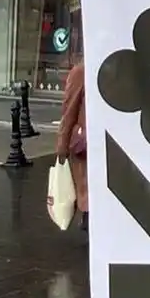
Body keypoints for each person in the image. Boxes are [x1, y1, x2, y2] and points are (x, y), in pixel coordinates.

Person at [56, 60, 88, 231]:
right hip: (86, 147)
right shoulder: (81, 71)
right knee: (88, 195)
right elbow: (69, 112)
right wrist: (62, 147)